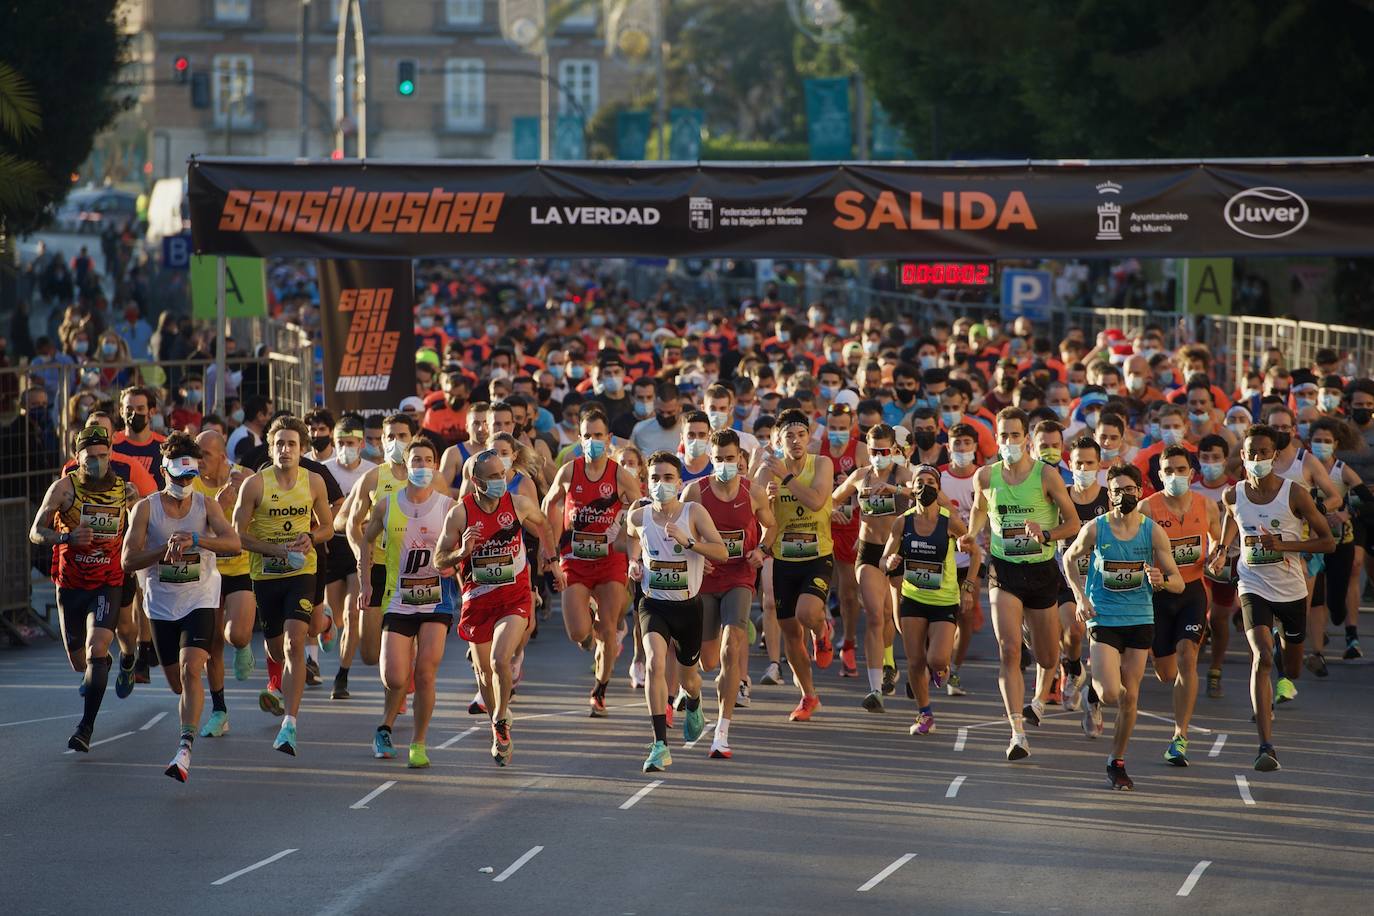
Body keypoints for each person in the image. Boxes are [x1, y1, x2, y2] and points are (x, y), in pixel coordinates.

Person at [1209, 424, 1335, 772]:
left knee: (1290, 669)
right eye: (1252, 453)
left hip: (1292, 590)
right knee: (1262, 657)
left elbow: (1328, 542)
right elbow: (1232, 522)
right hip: (1252, 585)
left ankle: (1289, 655)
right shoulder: (1232, 495)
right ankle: (1266, 745)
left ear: (1274, 456)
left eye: (1265, 452)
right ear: (1244, 457)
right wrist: (1221, 552)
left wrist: (1284, 546)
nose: (1258, 458)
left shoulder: (1294, 494)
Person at [960, 407, 1081, 761]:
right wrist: (969, 536)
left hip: (1042, 572)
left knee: (1047, 656)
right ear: (995, 440)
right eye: (1004, 436)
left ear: (1026, 439)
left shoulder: (1047, 476)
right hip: (1005, 572)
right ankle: (1017, 732)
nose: (1010, 442)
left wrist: (1046, 533)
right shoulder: (984, 476)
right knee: (1010, 650)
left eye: (1016, 435)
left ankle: (1062, 665)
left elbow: (1072, 523)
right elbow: (980, 510)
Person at [122, 433, 240, 781]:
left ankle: (184, 747)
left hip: (200, 598)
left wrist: (197, 540)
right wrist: (163, 551)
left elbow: (233, 543)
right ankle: (192, 710)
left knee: (192, 669)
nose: (185, 483)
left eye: (190, 477)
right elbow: (128, 559)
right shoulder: (146, 508)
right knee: (177, 683)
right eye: (178, 477)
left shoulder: (207, 506)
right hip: (161, 605)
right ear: (164, 472)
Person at [436, 449, 562, 766]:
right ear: (475, 481)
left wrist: (552, 560)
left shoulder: (517, 504)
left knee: (499, 659)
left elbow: (545, 524)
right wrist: (462, 551)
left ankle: (502, 718)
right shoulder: (460, 514)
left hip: (514, 596)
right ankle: (497, 722)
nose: (499, 481)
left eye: (502, 475)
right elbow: (439, 560)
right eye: (491, 477)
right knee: (482, 672)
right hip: (477, 599)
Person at [1065, 464, 1185, 790]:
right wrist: (1079, 597)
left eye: (1129, 489)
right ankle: (1092, 693)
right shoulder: (1096, 528)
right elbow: (1069, 558)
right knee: (1109, 693)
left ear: (1140, 491)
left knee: (1131, 698)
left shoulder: (1152, 531)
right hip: (1103, 616)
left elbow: (1177, 583)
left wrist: (1161, 579)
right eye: (1117, 490)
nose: (1123, 495)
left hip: (1140, 617)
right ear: (1110, 493)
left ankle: (1116, 761)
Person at [29, 426, 141, 752]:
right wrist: (66, 537)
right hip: (71, 584)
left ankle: (85, 727)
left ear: (111, 455)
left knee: (97, 649)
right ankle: (96, 675)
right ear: (77, 459)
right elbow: (36, 532)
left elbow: (144, 523)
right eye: (90, 457)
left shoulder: (126, 491)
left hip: (108, 582)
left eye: (103, 456)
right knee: (79, 661)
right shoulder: (64, 490)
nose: (97, 463)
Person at [231, 416, 334, 756]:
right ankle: (324, 623)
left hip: (302, 572)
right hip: (266, 576)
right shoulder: (255, 485)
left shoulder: (314, 481)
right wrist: (273, 549)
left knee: (295, 643)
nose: (285, 450)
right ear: (270, 447)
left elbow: (328, 529)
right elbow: (237, 536)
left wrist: (310, 537)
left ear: (302, 448)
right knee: (277, 651)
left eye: (291, 444)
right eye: (279, 444)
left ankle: (289, 722)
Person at [357, 437, 457, 768]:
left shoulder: (448, 506)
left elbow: (463, 550)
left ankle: (418, 741)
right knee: (395, 677)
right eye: (417, 461)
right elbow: (365, 539)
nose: (423, 466)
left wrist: (455, 562)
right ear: (406, 465)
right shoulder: (387, 504)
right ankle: (384, 725)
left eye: (429, 460)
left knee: (426, 672)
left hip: (436, 600)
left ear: (435, 466)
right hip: (399, 599)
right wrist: (365, 582)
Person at [626, 451, 729, 772]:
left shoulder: (693, 512)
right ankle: (659, 744)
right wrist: (633, 562)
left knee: (690, 677)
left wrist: (690, 543)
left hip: (687, 607)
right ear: (647, 482)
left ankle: (694, 701)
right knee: (656, 663)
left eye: (668, 478)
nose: (661, 484)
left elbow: (722, 552)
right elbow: (630, 539)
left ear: (679, 482)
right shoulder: (639, 516)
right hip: (652, 604)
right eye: (655, 478)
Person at [543, 407, 642, 715]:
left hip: (610, 560)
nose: (593, 441)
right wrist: (551, 551)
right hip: (575, 560)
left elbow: (639, 515)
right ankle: (595, 638)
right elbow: (549, 505)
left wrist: (629, 546)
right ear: (579, 438)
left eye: (599, 435)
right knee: (578, 633)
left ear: (609, 438)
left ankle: (600, 690)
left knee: (609, 629)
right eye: (587, 436)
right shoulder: (570, 471)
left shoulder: (621, 476)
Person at [683, 428, 774, 759]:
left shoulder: (753, 491)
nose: (724, 464)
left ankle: (722, 731)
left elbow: (771, 525)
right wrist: (696, 556)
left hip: (739, 576)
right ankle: (695, 698)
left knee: (729, 651)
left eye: (730, 459)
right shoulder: (695, 491)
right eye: (718, 459)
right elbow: (680, 533)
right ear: (710, 458)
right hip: (706, 580)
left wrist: (761, 549)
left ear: (741, 459)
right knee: (707, 661)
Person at [1140, 445, 1222, 766]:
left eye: (1181, 470)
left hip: (1192, 592)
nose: (1176, 476)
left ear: (1192, 473)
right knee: (1166, 673)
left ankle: (1180, 736)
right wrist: (1150, 570)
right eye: (1169, 471)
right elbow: (1135, 549)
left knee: (1188, 657)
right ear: (1160, 476)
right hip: (1159, 597)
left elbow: (1217, 541)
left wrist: (1217, 556)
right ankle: (1157, 657)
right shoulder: (1147, 509)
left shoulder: (1206, 505)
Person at [883, 465, 975, 736]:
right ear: (912, 488)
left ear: (939, 488)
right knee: (914, 661)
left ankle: (942, 668)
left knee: (936, 660)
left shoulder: (951, 521)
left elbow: (976, 553)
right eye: (919, 482)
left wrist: (968, 587)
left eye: (931, 481)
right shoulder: (903, 521)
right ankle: (925, 714)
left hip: (944, 599)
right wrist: (889, 560)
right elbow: (884, 557)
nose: (925, 487)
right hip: (912, 597)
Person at [758, 408, 836, 722]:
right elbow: (762, 516)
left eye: (801, 434)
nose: (796, 441)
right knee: (791, 632)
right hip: (783, 559)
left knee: (807, 613)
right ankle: (808, 695)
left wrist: (787, 478)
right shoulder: (767, 471)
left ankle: (822, 629)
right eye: (789, 435)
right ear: (778, 440)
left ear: (809, 437)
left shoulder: (822, 464)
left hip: (818, 555)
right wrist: (768, 499)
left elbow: (817, 501)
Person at [832, 422, 910, 708]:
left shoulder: (901, 473)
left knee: (897, 618)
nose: (879, 456)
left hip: (897, 552)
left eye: (884, 450)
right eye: (874, 450)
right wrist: (835, 511)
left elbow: (918, 493)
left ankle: (908, 666)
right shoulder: (860, 476)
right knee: (876, 616)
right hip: (868, 551)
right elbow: (832, 499)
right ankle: (875, 688)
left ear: (894, 450)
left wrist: (894, 488)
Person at [190, 430, 255, 738]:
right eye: (196, 454)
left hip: (241, 566)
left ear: (222, 457)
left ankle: (243, 646)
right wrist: (217, 504)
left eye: (205, 455)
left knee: (238, 634)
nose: (199, 460)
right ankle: (220, 711)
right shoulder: (192, 484)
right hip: (209, 571)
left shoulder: (245, 478)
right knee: (211, 643)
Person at [346, 414, 416, 676]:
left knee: (408, 637)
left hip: (413, 569)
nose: (396, 442)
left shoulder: (427, 477)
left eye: (402, 436)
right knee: (369, 654)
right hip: (378, 567)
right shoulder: (373, 478)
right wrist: (360, 553)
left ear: (413, 439)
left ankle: (403, 681)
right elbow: (352, 524)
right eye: (390, 437)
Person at [320, 417, 376, 699]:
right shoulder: (323, 470)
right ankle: (327, 626)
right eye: (340, 443)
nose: (345, 448)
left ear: (361, 444)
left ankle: (341, 676)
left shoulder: (373, 472)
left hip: (359, 547)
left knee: (353, 614)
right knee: (336, 616)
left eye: (350, 443)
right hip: (331, 546)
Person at [818, 402, 867, 680]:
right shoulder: (817, 448)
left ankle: (848, 644)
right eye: (832, 428)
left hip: (850, 524)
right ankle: (822, 628)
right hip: (823, 522)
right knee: (819, 585)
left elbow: (869, 487)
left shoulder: (860, 450)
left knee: (849, 592)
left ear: (853, 425)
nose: (837, 433)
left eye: (842, 428)